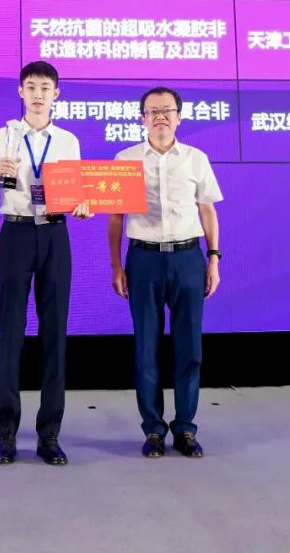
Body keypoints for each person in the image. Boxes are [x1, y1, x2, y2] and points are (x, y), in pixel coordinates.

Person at [0, 61, 91, 466]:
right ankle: (6, 435)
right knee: (11, 334)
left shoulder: (68, 141)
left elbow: (76, 191)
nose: (38, 94)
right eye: (31, 87)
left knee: (55, 333)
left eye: (45, 87)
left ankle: (49, 435)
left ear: (57, 94)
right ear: (20, 92)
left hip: (55, 234)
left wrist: (82, 205)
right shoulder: (1, 137)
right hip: (16, 233)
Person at [107, 86, 223, 459]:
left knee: (190, 347)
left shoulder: (195, 159)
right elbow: (115, 217)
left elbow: (207, 210)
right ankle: (154, 430)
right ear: (142, 118)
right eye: (152, 111)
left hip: (188, 258)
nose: (160, 116)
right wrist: (116, 264)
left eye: (167, 110)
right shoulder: (125, 159)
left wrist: (213, 258)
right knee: (147, 347)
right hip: (143, 259)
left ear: (179, 117)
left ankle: (186, 428)